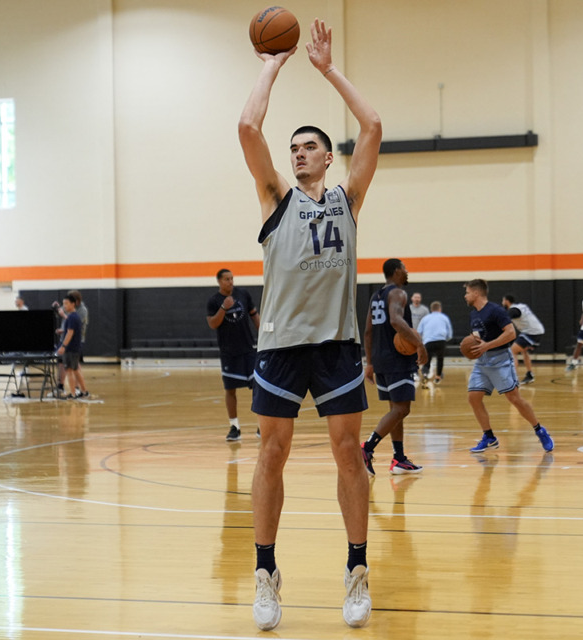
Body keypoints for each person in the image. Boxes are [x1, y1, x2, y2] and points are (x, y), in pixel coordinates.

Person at [237, 18, 381, 631]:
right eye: (292, 146)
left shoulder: (347, 199)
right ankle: (266, 575)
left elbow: (373, 127)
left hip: (337, 346)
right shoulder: (275, 197)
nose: (297, 153)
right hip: (280, 347)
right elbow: (247, 128)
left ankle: (357, 570)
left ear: (328, 156)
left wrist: (327, 69)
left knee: (350, 454)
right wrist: (273, 63)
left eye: (307, 147)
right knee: (272, 454)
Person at [464, 280, 554, 453]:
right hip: (482, 362)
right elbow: (476, 337)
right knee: (473, 397)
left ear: (476, 293)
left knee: (514, 398)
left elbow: (511, 333)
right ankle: (489, 437)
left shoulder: (495, 310)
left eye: (467, 292)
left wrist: (487, 345)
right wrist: (472, 348)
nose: (465, 296)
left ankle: (540, 430)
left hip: (500, 360)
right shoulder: (473, 314)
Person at [362, 259, 427, 477]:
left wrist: (369, 362)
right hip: (396, 359)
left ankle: (399, 459)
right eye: (405, 269)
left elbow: (368, 331)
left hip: (380, 359)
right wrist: (419, 344)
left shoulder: (375, 296)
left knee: (395, 411)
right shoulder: (397, 294)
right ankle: (367, 448)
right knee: (402, 409)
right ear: (397, 271)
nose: (407, 272)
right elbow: (396, 321)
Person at [207, 268, 260, 442]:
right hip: (229, 352)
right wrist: (224, 307)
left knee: (258, 387)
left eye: (232, 278)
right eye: (227, 279)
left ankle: (262, 425)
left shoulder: (243, 294)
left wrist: (265, 334)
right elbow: (213, 324)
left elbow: (254, 315)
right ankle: (234, 427)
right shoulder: (214, 301)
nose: (230, 282)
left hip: (248, 349)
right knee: (230, 390)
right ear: (219, 282)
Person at [501, 294, 545, 385]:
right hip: (534, 331)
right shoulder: (521, 306)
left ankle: (513, 379)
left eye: (503, 301)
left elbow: (507, 318)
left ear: (506, 301)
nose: (502, 303)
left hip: (532, 332)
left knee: (512, 351)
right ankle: (530, 374)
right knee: (524, 351)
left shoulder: (514, 310)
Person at [56, 294, 89, 399]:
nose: (64, 306)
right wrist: (63, 331)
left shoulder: (71, 317)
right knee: (76, 370)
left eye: (66, 303)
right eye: (63, 303)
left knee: (69, 371)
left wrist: (63, 346)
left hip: (70, 348)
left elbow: (70, 333)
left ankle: (73, 393)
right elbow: (71, 331)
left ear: (73, 304)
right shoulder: (74, 317)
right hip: (75, 348)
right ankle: (84, 391)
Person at [417, 300, 453, 383]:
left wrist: (423, 341)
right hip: (441, 341)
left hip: (428, 341)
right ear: (440, 309)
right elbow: (449, 334)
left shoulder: (425, 318)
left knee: (427, 359)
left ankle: (425, 374)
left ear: (431, 309)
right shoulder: (444, 317)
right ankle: (438, 377)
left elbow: (419, 331)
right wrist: (445, 339)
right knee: (440, 359)